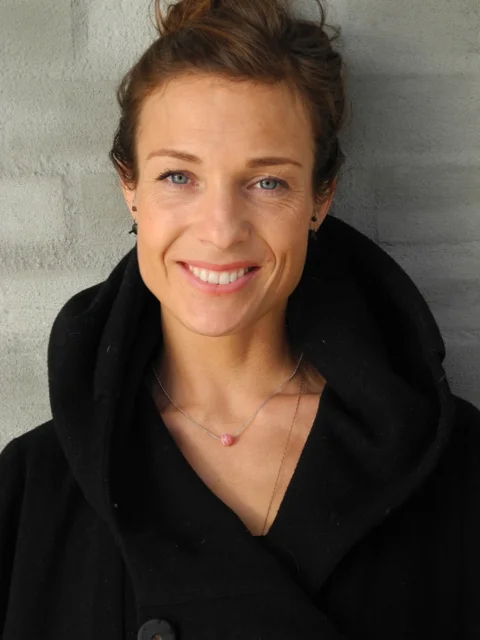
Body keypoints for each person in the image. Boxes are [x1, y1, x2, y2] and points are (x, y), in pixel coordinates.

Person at [1, 0, 479, 638]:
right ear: (129, 187)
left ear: (321, 196)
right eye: (179, 176)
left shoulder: (456, 469)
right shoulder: (31, 487)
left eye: (267, 182)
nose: (222, 230)